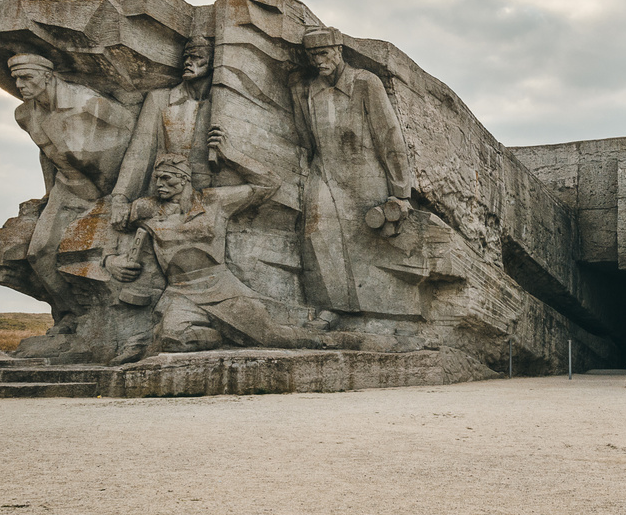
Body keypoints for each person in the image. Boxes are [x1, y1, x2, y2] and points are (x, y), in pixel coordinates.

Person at [107, 133, 337, 353]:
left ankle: (336, 340)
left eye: (166, 177)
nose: (159, 183)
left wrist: (231, 155)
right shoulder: (146, 208)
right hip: (181, 293)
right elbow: (111, 224)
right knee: (174, 340)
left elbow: (270, 183)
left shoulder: (214, 201)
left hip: (223, 289)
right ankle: (219, 335)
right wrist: (110, 260)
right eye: (157, 178)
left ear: (185, 178)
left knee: (272, 337)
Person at [9, 53, 135, 331]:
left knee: (95, 254)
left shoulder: (88, 103)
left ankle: (112, 319)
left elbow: (134, 134)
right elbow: (46, 153)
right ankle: (74, 317)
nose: (19, 84)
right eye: (16, 78)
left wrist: (124, 192)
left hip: (110, 189)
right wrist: (48, 194)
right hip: (68, 186)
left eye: (26, 77)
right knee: (40, 253)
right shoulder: (25, 114)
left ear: (48, 75)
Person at [291, 27, 413, 312]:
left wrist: (400, 192)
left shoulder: (365, 83)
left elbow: (390, 137)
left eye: (323, 53)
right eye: (312, 56)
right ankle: (330, 310)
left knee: (365, 244)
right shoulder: (308, 90)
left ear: (338, 51)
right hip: (325, 172)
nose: (318, 61)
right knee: (316, 234)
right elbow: (305, 140)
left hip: (365, 175)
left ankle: (372, 313)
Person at [111, 35, 216, 228]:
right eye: (186, 57)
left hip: (205, 204)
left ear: (213, 62)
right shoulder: (159, 100)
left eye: (196, 58)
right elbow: (139, 152)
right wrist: (120, 198)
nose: (187, 62)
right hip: (163, 199)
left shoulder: (221, 108)